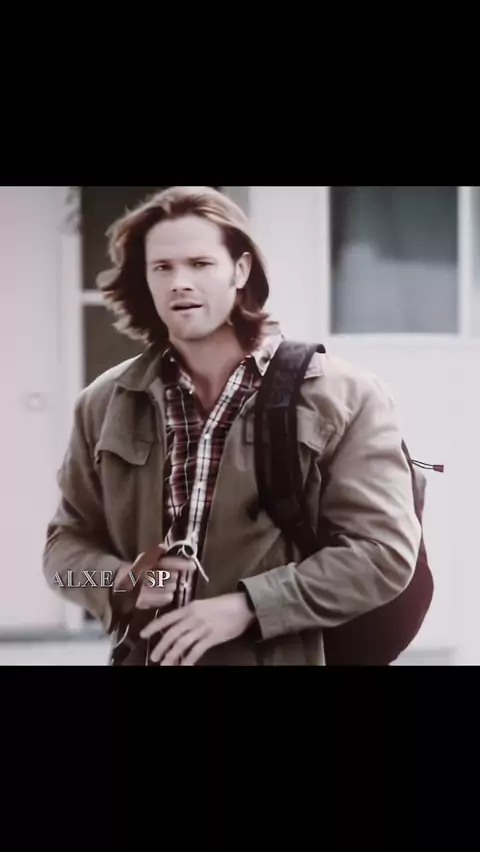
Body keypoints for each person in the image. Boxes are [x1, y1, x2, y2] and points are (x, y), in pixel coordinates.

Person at [43, 185, 421, 666]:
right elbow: (63, 559)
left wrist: (248, 607)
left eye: (200, 264)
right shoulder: (102, 404)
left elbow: (383, 554)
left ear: (240, 270)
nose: (180, 282)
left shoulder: (344, 395)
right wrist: (123, 581)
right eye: (162, 267)